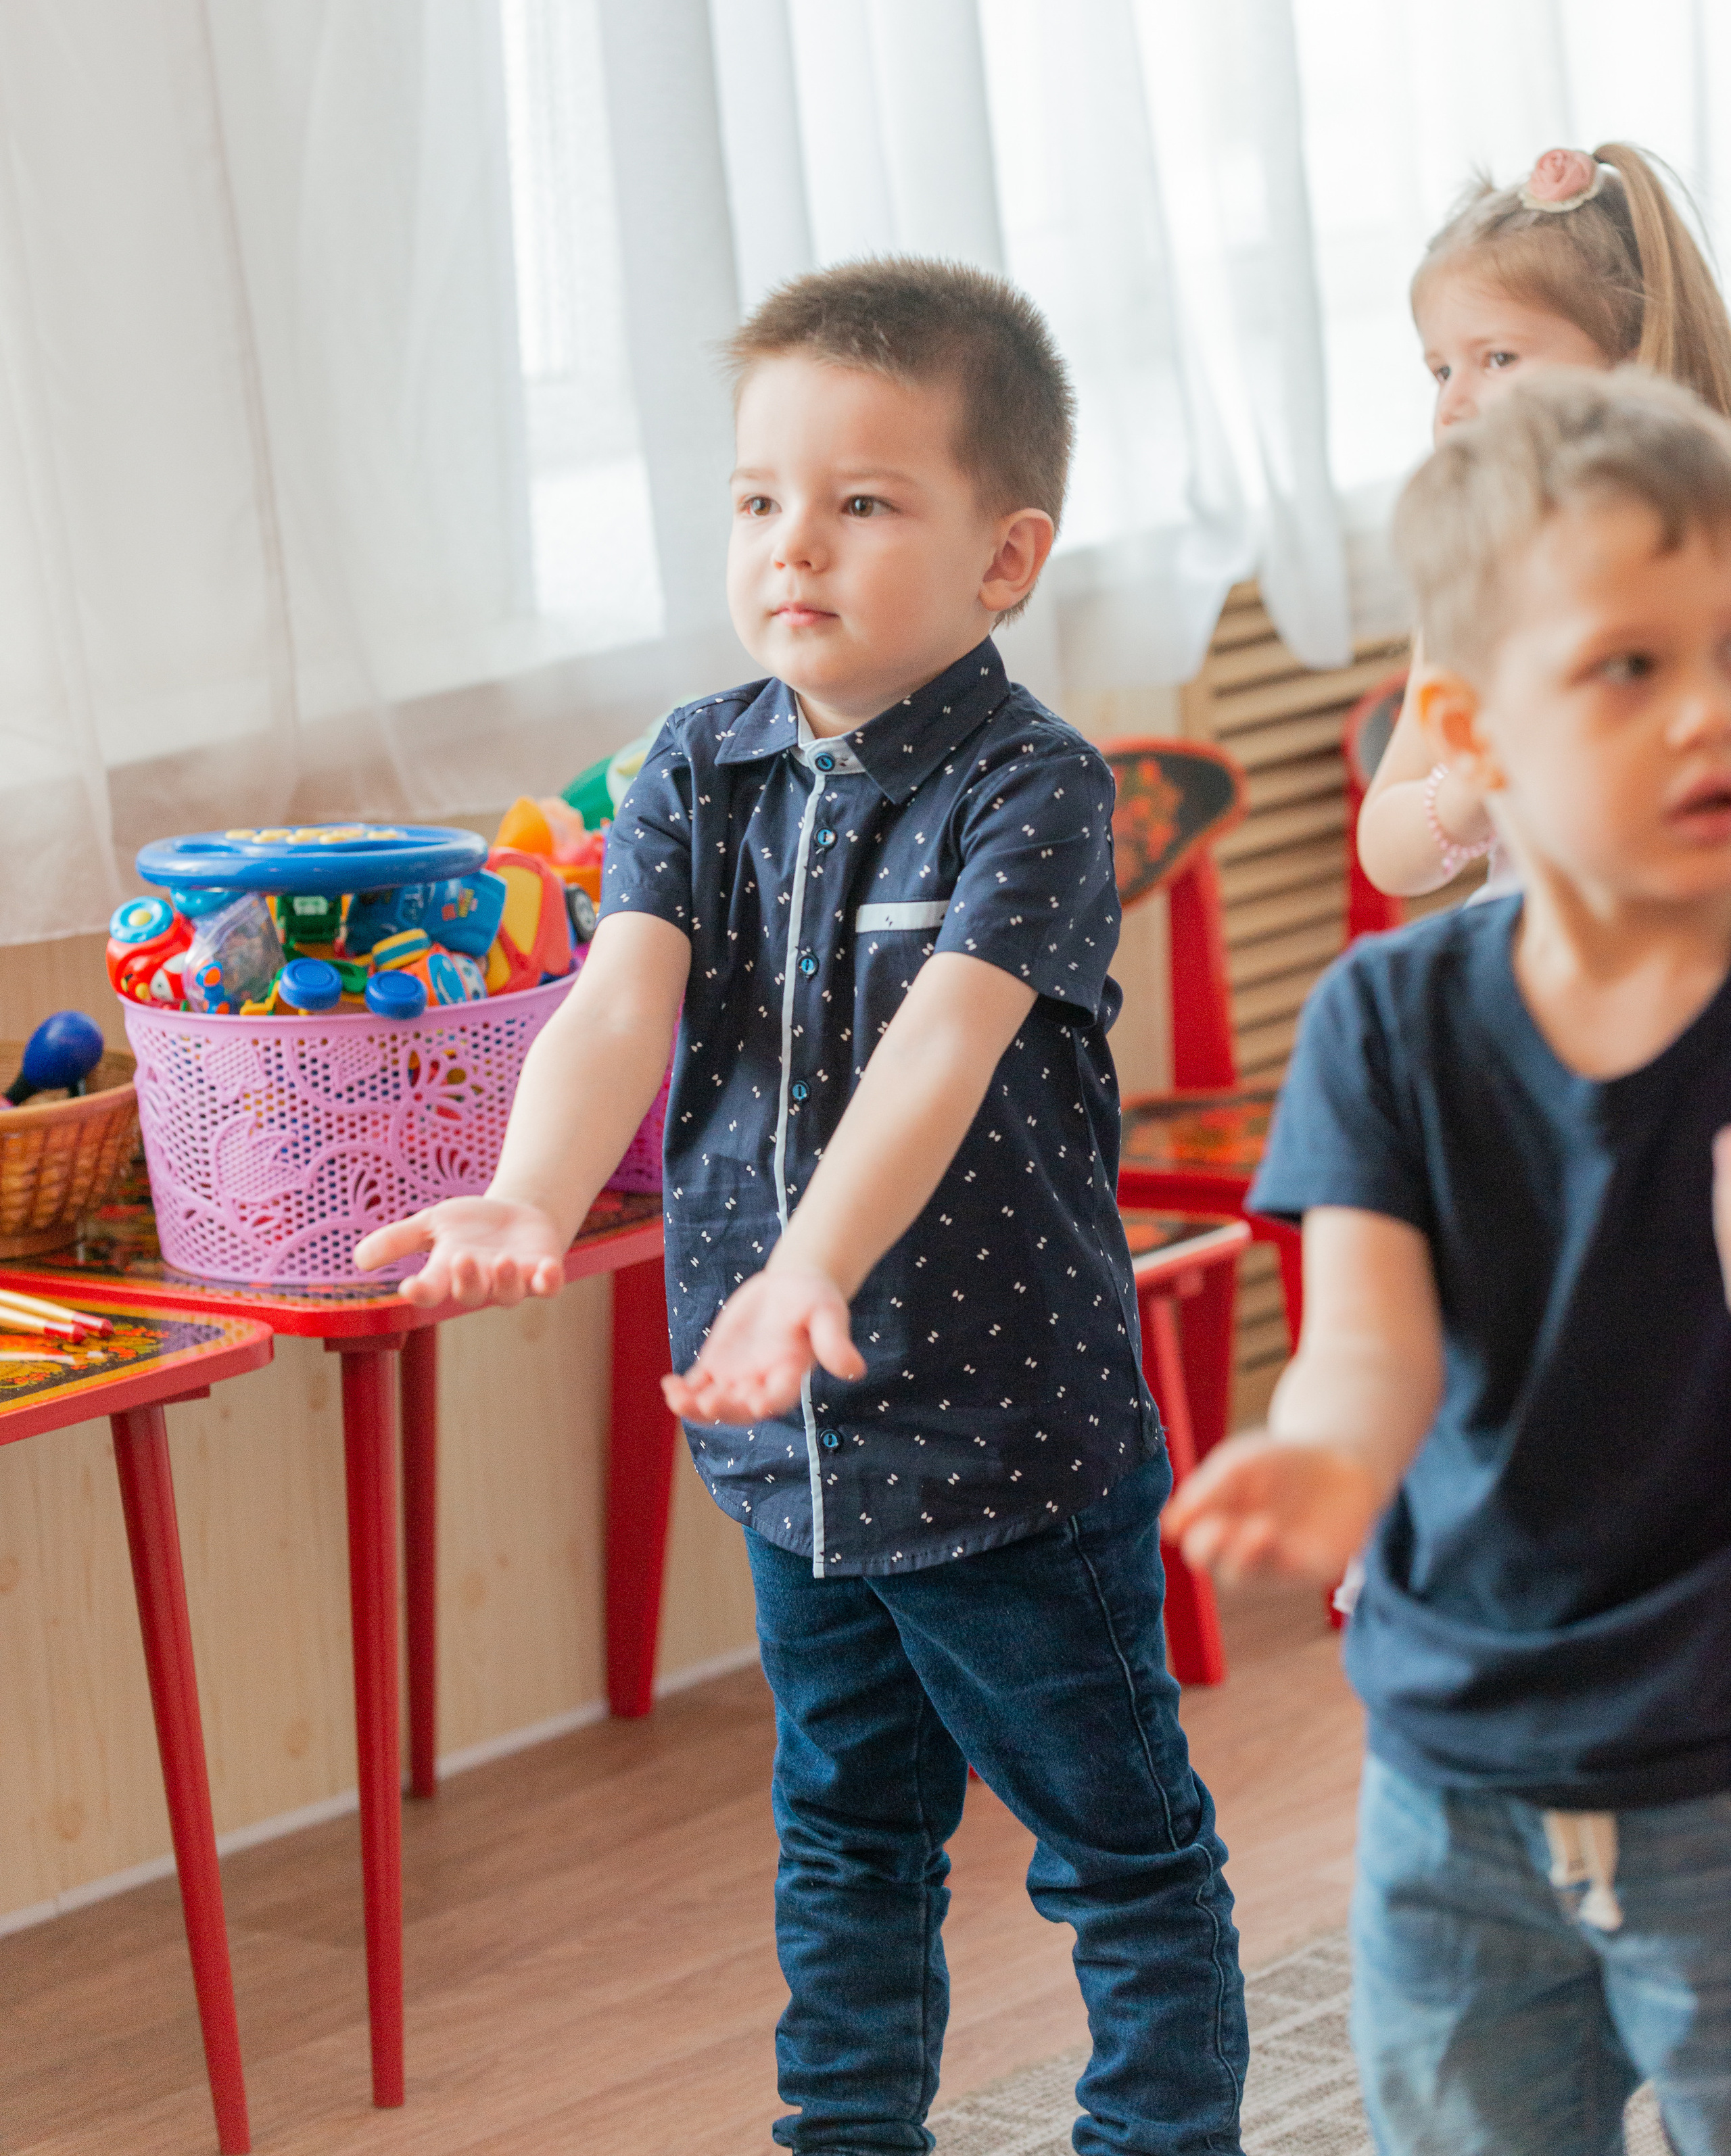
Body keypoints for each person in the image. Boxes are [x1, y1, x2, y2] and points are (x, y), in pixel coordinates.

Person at [356, 258, 1248, 2155]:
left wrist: (805, 1268)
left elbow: (939, 1052)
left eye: (864, 501)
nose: (796, 545)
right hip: (795, 1454)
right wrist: (519, 1187)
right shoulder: (692, 761)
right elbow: (620, 998)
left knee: (1122, 1850)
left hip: (1005, 1445)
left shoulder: (1035, 790)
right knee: (846, 1834)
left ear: (1006, 557)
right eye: (762, 498)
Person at [1166, 364, 1731, 2155]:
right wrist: (1326, 1465)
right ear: (1468, 728)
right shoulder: (1388, 1022)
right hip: (1456, 1774)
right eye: (1631, 667)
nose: (1708, 713)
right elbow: (1365, 1341)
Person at [1358, 142, 1731, 904]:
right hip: (1550, 961)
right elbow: (1388, 851)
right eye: (1440, 370)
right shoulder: (1478, 576)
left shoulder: (1708, 549)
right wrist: (1471, 787)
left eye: (1496, 358)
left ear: (1627, 364)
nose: (1453, 403)